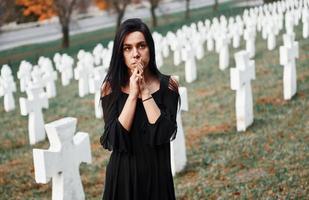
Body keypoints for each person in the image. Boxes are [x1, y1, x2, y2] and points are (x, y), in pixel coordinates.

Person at [99, 18, 180, 200]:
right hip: (123, 179)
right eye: (128, 48)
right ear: (120, 53)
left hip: (158, 178)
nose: (135, 54)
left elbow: (163, 133)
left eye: (141, 46)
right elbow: (114, 138)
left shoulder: (169, 85)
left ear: (150, 48)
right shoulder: (110, 88)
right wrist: (133, 95)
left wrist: (144, 92)